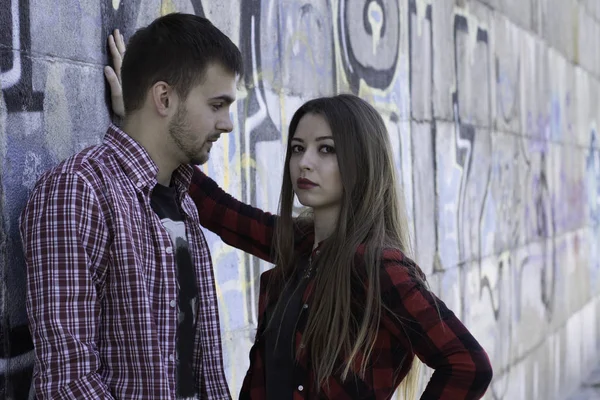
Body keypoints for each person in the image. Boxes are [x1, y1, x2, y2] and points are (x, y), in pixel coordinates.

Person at [106, 36, 493, 400]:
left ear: (363, 161)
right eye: (297, 148)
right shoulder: (303, 247)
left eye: (327, 150)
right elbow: (217, 210)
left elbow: (468, 365)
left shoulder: (378, 268)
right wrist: (146, 122)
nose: (304, 163)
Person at [20, 13, 242, 399]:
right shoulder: (79, 191)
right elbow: (68, 384)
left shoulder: (182, 205)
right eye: (217, 104)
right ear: (165, 98)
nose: (227, 123)